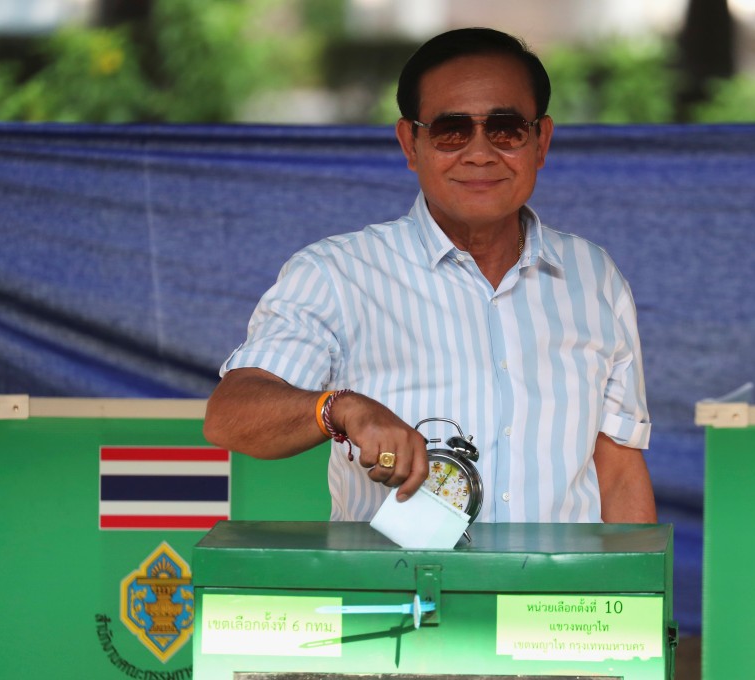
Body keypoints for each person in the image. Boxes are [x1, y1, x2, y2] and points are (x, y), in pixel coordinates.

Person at [203, 27, 656, 524]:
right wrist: (342, 409)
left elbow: (618, 472)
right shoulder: (337, 274)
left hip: (556, 602)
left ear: (540, 141)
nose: (480, 152)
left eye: (505, 129)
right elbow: (231, 415)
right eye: (451, 130)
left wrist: (635, 597)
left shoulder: (595, 278)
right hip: (398, 597)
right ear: (410, 143)